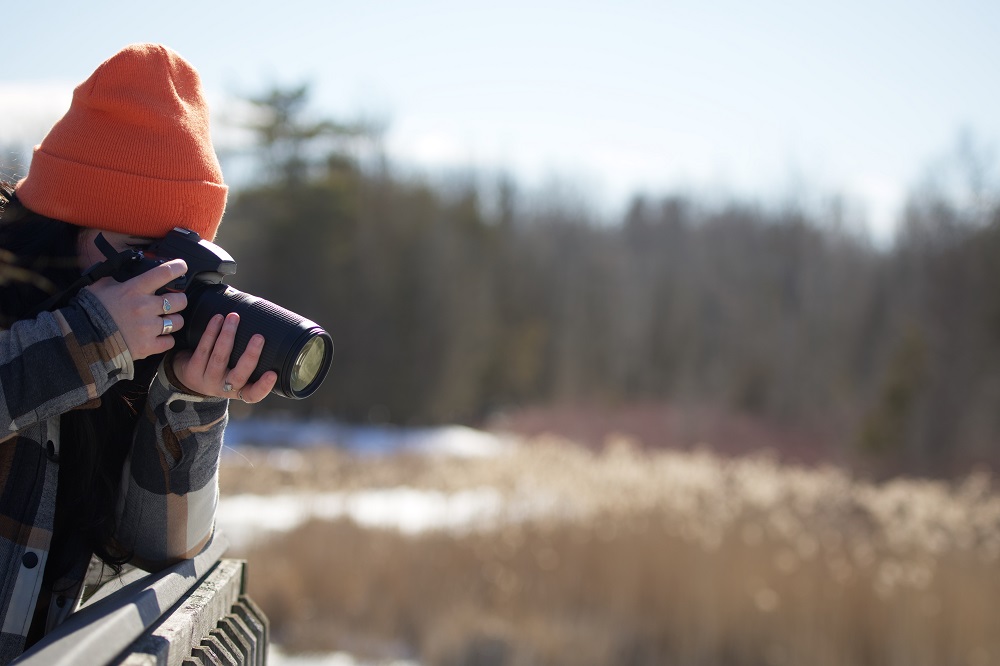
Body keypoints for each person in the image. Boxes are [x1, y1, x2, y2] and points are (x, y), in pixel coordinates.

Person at [0, 43, 277, 662]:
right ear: (64, 223)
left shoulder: (126, 357)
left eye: (178, 260)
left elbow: (159, 553)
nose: (157, 282)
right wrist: (91, 337)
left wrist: (188, 405)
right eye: (136, 250)